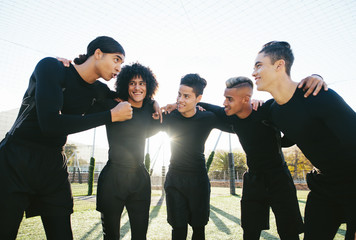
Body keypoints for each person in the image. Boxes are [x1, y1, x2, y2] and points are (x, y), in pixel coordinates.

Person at [0, 36, 133, 240]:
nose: (118, 68)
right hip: (15, 160)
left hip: (53, 166)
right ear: (98, 54)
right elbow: (50, 124)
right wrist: (110, 116)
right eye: (116, 59)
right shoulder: (52, 67)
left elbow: (132, 99)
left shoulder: (98, 91)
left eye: (121, 63)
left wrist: (161, 106)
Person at [198, 75, 325, 240]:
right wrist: (173, 105)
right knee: (250, 233)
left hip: (279, 179)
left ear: (246, 99)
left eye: (229, 99)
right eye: (225, 98)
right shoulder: (229, 115)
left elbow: (296, 98)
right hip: (253, 181)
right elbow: (202, 104)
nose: (224, 103)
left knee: (289, 233)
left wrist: (317, 77)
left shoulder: (267, 109)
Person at [252, 41, 356, 240]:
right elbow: (294, 132)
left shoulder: (319, 96)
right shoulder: (272, 110)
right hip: (324, 186)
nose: (253, 72)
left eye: (259, 65)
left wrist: (318, 77)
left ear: (279, 65)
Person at [159, 74, 231, 240]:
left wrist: (255, 104)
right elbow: (146, 122)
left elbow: (233, 122)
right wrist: (157, 105)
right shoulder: (170, 117)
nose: (180, 100)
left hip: (198, 180)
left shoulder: (208, 118)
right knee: (178, 229)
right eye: (179, 94)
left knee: (199, 229)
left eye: (186, 96)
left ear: (198, 98)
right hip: (175, 179)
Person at [95, 62, 160, 240]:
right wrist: (70, 64)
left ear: (149, 86)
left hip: (139, 179)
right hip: (112, 178)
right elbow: (91, 85)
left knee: (140, 236)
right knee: (111, 236)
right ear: (125, 85)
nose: (137, 87)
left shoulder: (150, 109)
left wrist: (155, 102)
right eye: (132, 83)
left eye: (142, 83)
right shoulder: (113, 104)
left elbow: (178, 112)